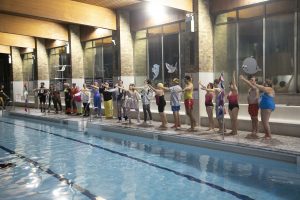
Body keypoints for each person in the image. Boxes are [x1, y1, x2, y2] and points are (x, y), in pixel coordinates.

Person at [227, 71, 239, 135]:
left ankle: (235, 131)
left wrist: (233, 75)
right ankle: (233, 130)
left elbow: (234, 83)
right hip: (230, 106)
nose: (229, 85)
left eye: (230, 84)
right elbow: (228, 98)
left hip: (235, 106)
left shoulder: (235, 89)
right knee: (231, 119)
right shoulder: (230, 92)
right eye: (229, 84)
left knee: (235, 119)